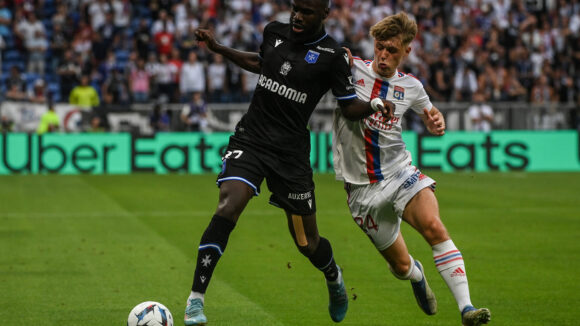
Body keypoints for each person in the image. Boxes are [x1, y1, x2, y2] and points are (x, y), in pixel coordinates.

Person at [184, 1, 392, 324]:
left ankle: (334, 276)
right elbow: (261, 63)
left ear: (324, 14)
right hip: (251, 139)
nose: (297, 15)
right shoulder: (274, 32)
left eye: (306, 11)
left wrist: (375, 104)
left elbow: (349, 107)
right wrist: (219, 48)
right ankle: (195, 301)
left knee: (307, 244)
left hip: (290, 156)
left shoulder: (333, 57)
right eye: (295, 7)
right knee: (228, 204)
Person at [336, 13, 491, 326]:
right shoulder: (351, 69)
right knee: (401, 266)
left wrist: (436, 121)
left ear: (406, 51)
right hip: (361, 190)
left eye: (392, 50)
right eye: (380, 47)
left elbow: (430, 112)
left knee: (433, 227)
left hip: (400, 173)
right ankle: (417, 275)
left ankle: (466, 309)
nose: (383, 54)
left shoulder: (412, 87)